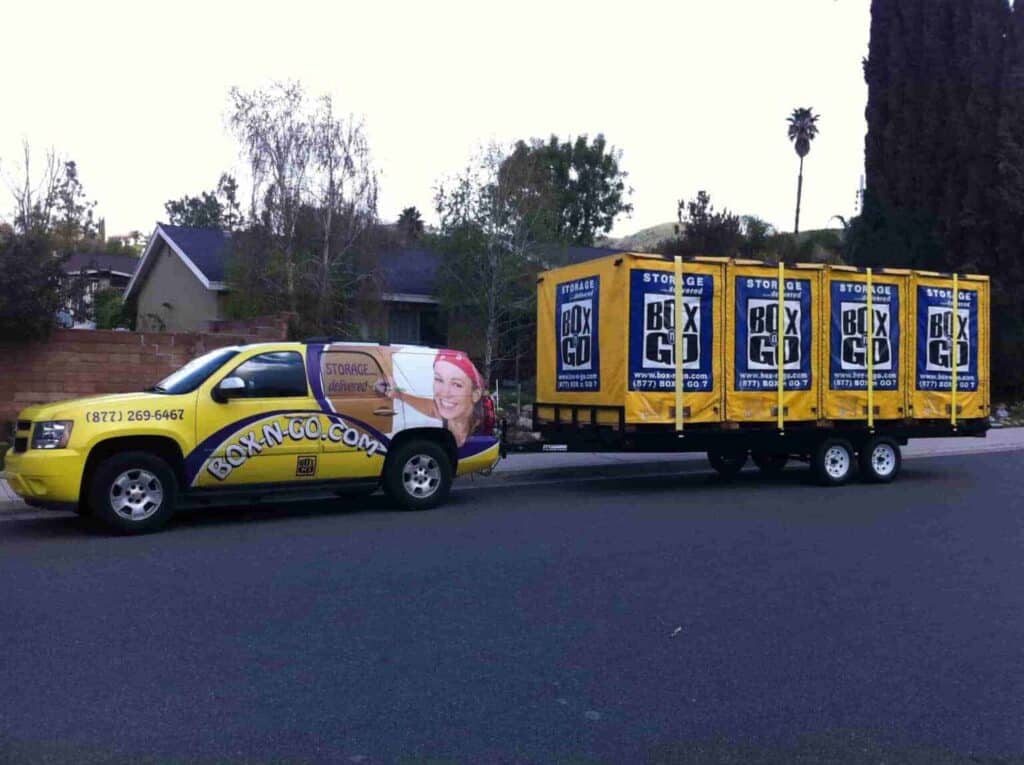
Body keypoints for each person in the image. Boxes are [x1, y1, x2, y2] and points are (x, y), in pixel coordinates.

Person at [387, 349, 484, 447]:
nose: (445, 393)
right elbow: (431, 409)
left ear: (475, 395)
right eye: (439, 379)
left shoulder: (480, 426)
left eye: (457, 384)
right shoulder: (447, 416)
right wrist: (398, 394)